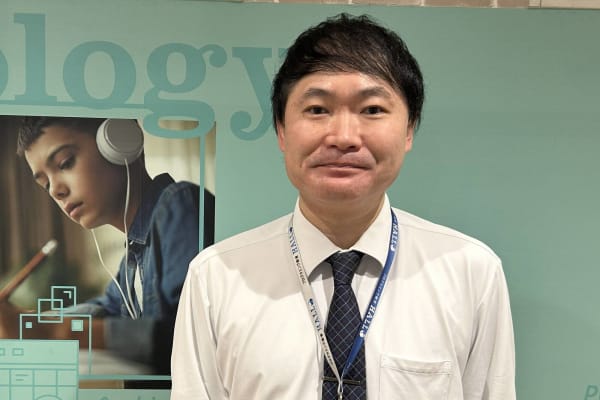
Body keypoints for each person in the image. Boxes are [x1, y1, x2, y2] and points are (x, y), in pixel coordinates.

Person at [170, 13, 515, 400]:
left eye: (372, 110)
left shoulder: (470, 272)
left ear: (409, 130)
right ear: (281, 130)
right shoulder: (216, 277)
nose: (344, 137)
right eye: (318, 109)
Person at [0, 116, 214, 376]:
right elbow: (105, 309)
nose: (55, 190)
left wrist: (52, 331)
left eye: (65, 163)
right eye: (45, 184)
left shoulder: (179, 206)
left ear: (121, 143)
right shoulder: (134, 258)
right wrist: (25, 321)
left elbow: (190, 342)